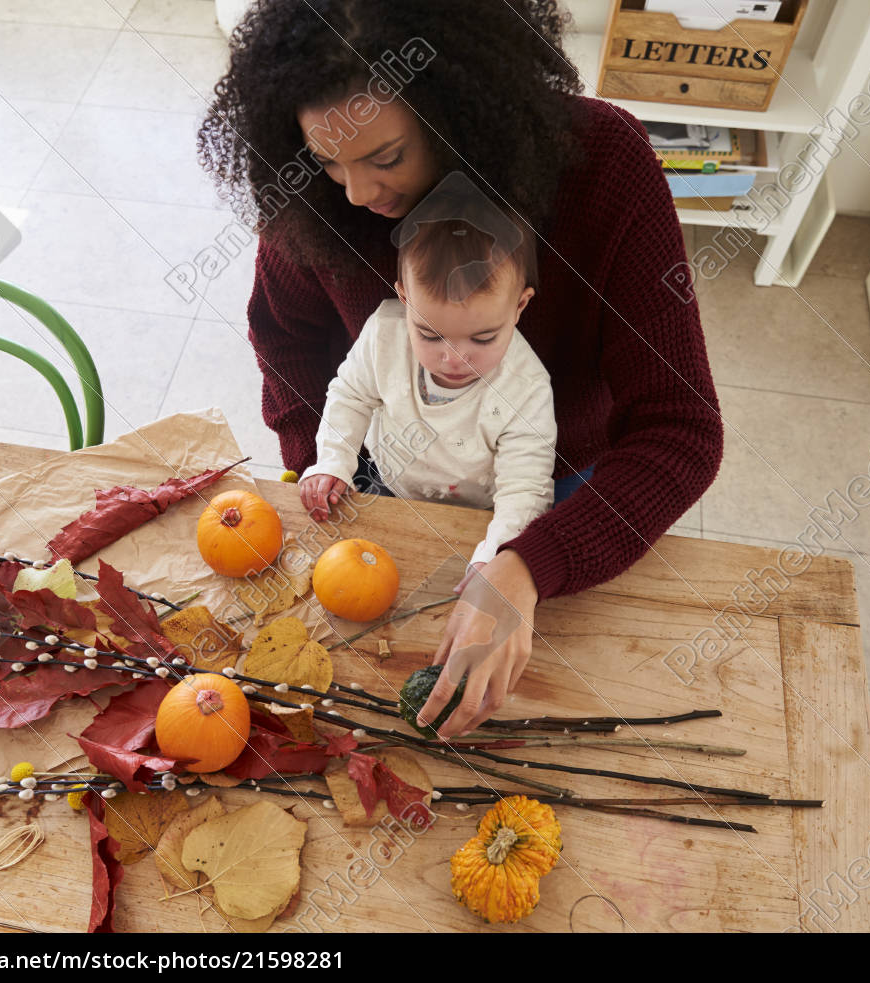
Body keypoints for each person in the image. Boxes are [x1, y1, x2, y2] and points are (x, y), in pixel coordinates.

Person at [198, 0, 724, 738]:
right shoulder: (318, 192)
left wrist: (531, 563)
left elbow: (681, 432)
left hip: (550, 473)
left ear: (465, 111)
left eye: (386, 159)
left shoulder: (605, 167)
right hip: (390, 468)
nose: (356, 193)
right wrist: (323, 466)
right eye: (327, 159)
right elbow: (285, 337)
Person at [298, 197, 556, 594]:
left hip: (481, 513)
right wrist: (332, 461)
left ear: (519, 305)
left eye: (483, 337)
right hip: (387, 484)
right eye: (430, 335)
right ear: (405, 301)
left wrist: (498, 554)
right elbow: (350, 396)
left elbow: (526, 488)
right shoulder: (384, 333)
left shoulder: (527, 387)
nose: (453, 358)